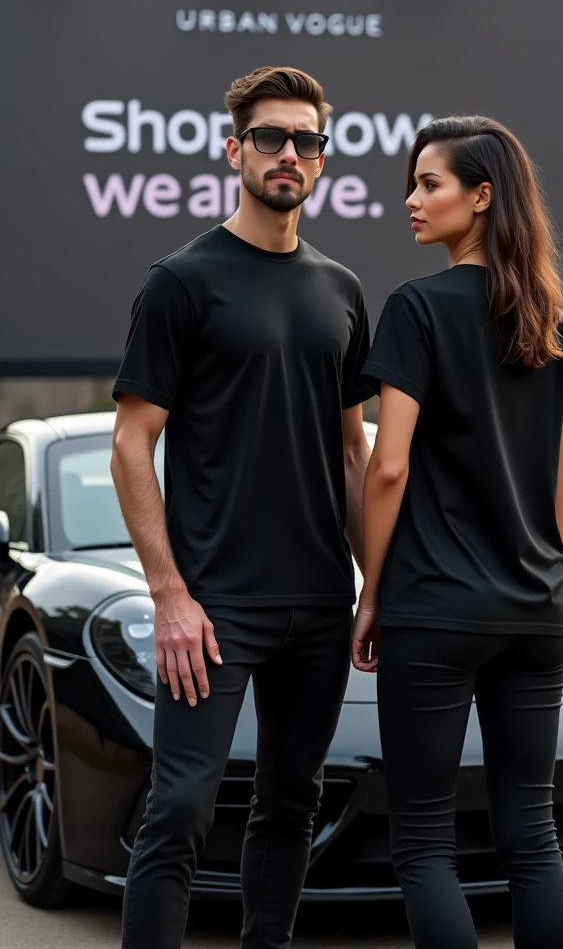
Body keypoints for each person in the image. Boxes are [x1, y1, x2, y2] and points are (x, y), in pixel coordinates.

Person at [110, 66, 373, 949]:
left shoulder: (341, 290)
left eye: (307, 140)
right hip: (213, 607)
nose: (289, 154)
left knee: (290, 804)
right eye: (270, 138)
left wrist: (372, 583)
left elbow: (351, 451)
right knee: (180, 809)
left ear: (322, 159)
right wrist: (169, 594)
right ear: (235, 150)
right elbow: (129, 444)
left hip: (317, 600)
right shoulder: (182, 282)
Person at [352, 115, 563, 949]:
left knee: (423, 844)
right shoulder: (552, 319)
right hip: (537, 613)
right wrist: (535, 568)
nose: (410, 200)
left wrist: (372, 593)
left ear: (481, 197)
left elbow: (388, 468)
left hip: (434, 609)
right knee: (533, 836)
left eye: (429, 183)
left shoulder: (416, 309)